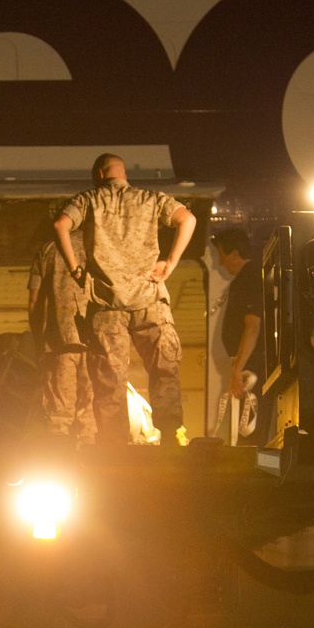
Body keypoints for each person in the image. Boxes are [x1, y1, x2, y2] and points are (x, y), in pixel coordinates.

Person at [53, 153, 196, 446]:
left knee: (110, 381)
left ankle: (114, 445)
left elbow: (60, 226)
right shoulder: (151, 198)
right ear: (122, 173)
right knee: (164, 371)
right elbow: (188, 219)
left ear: (100, 175)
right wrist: (170, 262)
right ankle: (171, 436)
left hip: (108, 306)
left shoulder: (89, 200)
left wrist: (76, 270)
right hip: (150, 300)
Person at [28, 234, 95, 445]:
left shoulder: (48, 249)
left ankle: (60, 463)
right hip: (97, 340)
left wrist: (38, 340)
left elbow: (34, 302)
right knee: (92, 415)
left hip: (60, 340)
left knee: (59, 414)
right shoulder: (100, 242)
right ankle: (93, 466)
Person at [213, 227, 264, 437]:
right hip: (246, 364)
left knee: (248, 434)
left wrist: (237, 369)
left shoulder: (250, 277)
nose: (220, 263)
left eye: (222, 256)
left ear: (234, 254)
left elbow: (252, 326)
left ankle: (253, 468)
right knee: (242, 430)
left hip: (250, 367)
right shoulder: (246, 277)